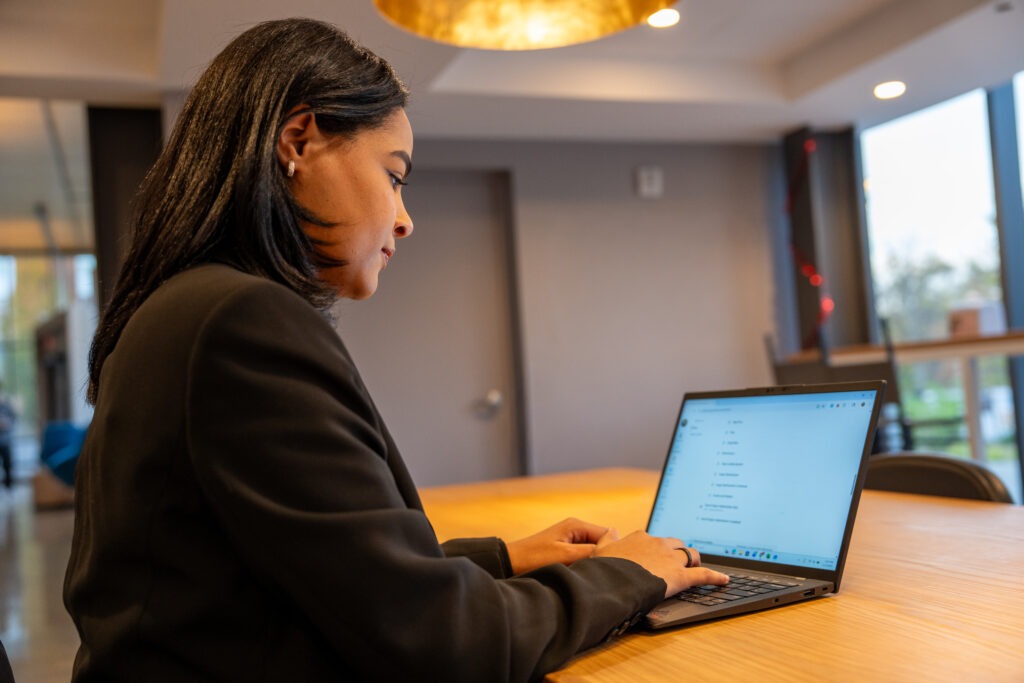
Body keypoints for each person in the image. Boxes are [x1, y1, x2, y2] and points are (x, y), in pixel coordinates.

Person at [63, 18, 727, 682]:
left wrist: (500, 558)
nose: (405, 218)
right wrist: (626, 575)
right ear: (298, 140)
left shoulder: (181, 308)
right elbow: (441, 644)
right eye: (394, 175)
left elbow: (321, 572)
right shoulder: (243, 322)